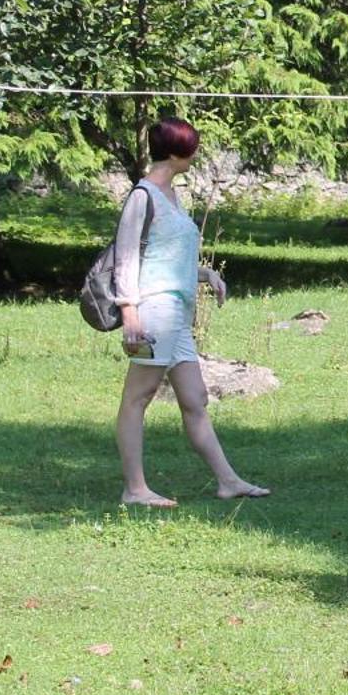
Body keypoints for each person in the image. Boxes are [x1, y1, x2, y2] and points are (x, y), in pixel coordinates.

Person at [113, 117, 268, 506]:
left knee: (195, 399)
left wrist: (205, 274)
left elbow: (166, 256)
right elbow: (127, 257)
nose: (195, 154)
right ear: (177, 152)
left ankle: (228, 481)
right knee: (137, 398)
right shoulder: (142, 196)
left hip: (177, 316)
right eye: (192, 147)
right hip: (154, 312)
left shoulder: (172, 196)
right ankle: (135, 489)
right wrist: (130, 314)